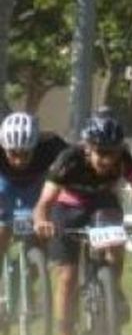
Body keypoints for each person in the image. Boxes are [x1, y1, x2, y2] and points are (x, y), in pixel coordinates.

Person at [32, 114, 132, 335]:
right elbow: (45, 201)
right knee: (67, 279)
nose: (108, 160)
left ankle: (112, 289)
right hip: (66, 210)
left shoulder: (124, 160)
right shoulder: (68, 159)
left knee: (115, 237)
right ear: (88, 148)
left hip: (102, 205)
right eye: (102, 153)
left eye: (113, 153)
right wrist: (42, 221)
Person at [0, 112, 70, 269]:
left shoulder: (51, 145)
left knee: (41, 232)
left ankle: (33, 268)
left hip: (37, 184)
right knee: (3, 229)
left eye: (25, 154)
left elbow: (74, 166)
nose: (19, 160)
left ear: (35, 145)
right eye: (12, 153)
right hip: (4, 184)